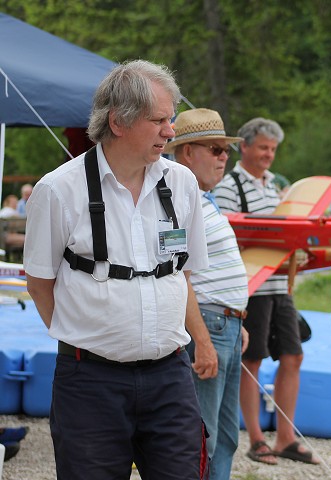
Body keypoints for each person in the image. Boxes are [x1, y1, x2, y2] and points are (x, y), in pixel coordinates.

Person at [23, 60, 214, 480]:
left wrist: (199, 340)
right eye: (160, 120)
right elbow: (39, 283)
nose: (171, 131)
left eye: (172, 119)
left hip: (170, 378)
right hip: (89, 382)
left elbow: (183, 273)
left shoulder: (182, 184)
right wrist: (91, 335)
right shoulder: (58, 189)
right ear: (119, 122)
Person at [213, 118, 317, 465]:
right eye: (262, 147)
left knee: (293, 355)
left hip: (280, 286)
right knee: (251, 360)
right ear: (244, 147)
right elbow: (226, 238)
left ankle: (286, 437)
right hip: (250, 288)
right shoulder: (229, 187)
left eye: (273, 149)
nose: (269, 155)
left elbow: (284, 232)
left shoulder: (276, 187)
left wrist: (297, 248)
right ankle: (257, 439)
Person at [165, 108, 251, 480]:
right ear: (187, 152)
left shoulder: (201, 198)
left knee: (226, 435)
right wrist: (202, 338)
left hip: (224, 323)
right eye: (216, 149)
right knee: (205, 436)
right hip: (211, 324)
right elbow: (176, 274)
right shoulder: (176, 200)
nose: (223, 158)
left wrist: (236, 318)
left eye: (226, 151)